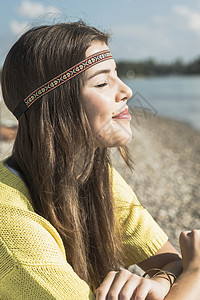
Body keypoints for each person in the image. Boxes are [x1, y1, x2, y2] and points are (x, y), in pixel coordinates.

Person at [0, 21, 199, 300]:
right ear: (55, 105)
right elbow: (186, 266)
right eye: (103, 82)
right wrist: (196, 272)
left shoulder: (95, 175)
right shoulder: (8, 220)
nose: (126, 91)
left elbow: (168, 260)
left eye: (117, 76)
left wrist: (162, 280)